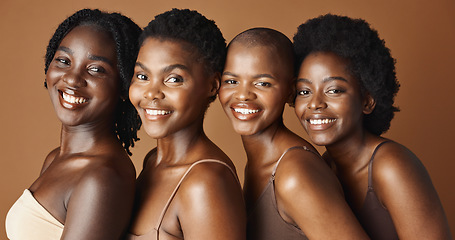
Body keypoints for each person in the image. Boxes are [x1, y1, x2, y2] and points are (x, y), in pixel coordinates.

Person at [293, 14, 452, 240]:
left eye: (334, 90)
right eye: (304, 91)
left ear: (367, 101)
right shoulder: (323, 166)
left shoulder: (391, 166)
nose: (315, 103)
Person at [218, 27, 369, 240]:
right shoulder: (258, 162)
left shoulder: (295, 173)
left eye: (262, 83)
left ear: (291, 91)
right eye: (231, 81)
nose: (243, 95)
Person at [5, 9, 142, 240]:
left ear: (123, 86)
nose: (71, 78)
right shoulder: (56, 158)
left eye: (96, 69)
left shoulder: (102, 178)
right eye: (64, 61)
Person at [126, 9, 246, 240]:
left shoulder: (206, 182)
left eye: (173, 79)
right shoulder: (153, 161)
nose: (151, 93)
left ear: (212, 86)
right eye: (142, 76)